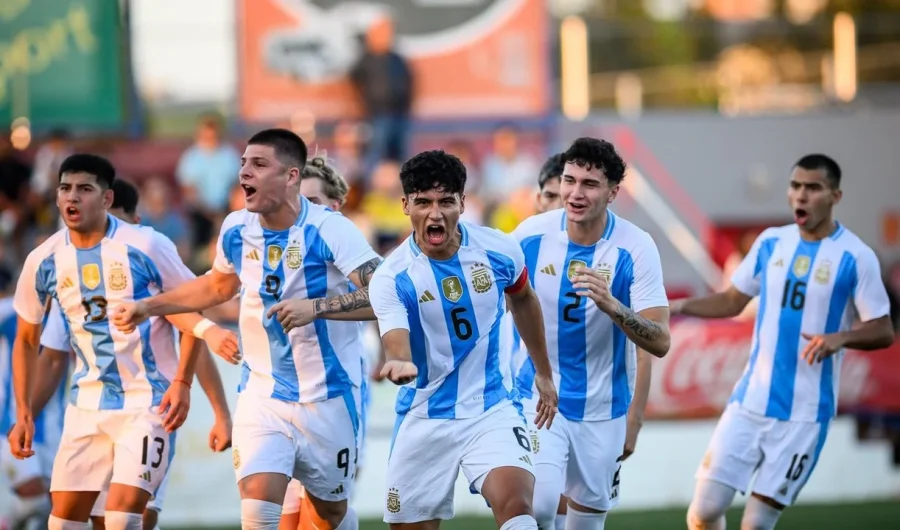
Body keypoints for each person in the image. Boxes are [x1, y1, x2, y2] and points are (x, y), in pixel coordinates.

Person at [112, 129, 383, 530]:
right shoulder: (237, 228)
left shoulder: (330, 229)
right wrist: (148, 305)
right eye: (242, 163)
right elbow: (216, 287)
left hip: (329, 398)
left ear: (291, 176)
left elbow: (386, 295)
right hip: (263, 395)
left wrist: (318, 307)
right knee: (258, 508)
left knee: (329, 514)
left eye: (258, 164)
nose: (244, 172)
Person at [7, 154, 238, 530]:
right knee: (62, 523)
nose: (72, 197)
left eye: (84, 189)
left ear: (107, 199)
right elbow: (28, 341)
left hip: (148, 404)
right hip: (86, 407)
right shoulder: (43, 259)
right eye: (65, 188)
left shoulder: (147, 245)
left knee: (123, 520)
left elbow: (189, 308)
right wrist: (24, 413)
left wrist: (184, 381)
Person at [672, 154, 895, 530]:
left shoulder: (856, 256)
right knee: (703, 512)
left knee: (756, 524)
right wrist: (677, 306)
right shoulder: (771, 243)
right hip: (749, 402)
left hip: (805, 415)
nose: (801, 196)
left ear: (835, 196)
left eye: (813, 188)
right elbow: (731, 300)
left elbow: (884, 328)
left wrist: (841, 337)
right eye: (795, 187)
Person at [368, 149, 559, 530]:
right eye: (423, 202)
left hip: (491, 408)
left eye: (445, 202)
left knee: (521, 510)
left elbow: (524, 299)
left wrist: (543, 372)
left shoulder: (499, 249)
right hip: (424, 416)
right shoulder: (392, 277)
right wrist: (400, 360)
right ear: (405, 205)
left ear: (463, 203)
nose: (435, 214)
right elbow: (395, 336)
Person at [508, 138, 671, 530]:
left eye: (590, 184)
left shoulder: (635, 248)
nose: (575, 193)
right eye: (569, 180)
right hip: (539, 398)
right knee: (540, 506)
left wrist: (613, 305)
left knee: (585, 524)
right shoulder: (530, 236)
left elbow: (660, 341)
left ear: (613, 192)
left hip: (603, 410)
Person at [279, 158, 373, 530]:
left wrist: (316, 309)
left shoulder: (346, 250)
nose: (301, 210)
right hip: (280, 396)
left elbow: (384, 301)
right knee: (282, 514)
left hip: (335, 391)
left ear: (335, 207)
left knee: (323, 509)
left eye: (313, 201)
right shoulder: (276, 250)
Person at [0, 265, 62, 530]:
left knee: (54, 508)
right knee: (34, 498)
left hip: (55, 429)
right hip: (11, 425)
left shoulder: (65, 319)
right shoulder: (11, 314)